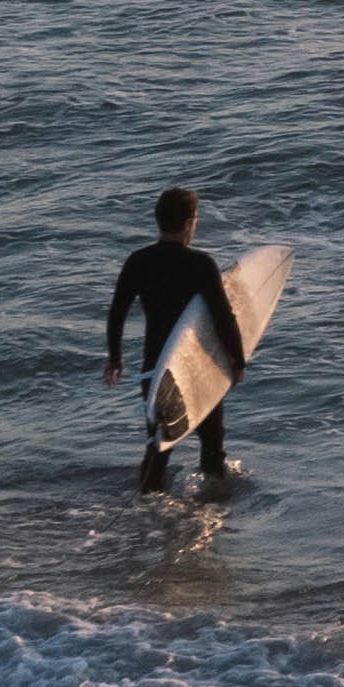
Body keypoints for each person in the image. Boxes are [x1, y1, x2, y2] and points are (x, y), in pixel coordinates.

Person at [103, 187, 247, 494]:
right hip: (197, 365)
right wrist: (237, 360)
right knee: (212, 445)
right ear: (188, 223)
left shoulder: (138, 261)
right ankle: (212, 511)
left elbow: (117, 312)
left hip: (156, 368)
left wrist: (115, 358)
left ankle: (148, 508)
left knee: (159, 445)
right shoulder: (201, 265)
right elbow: (224, 318)